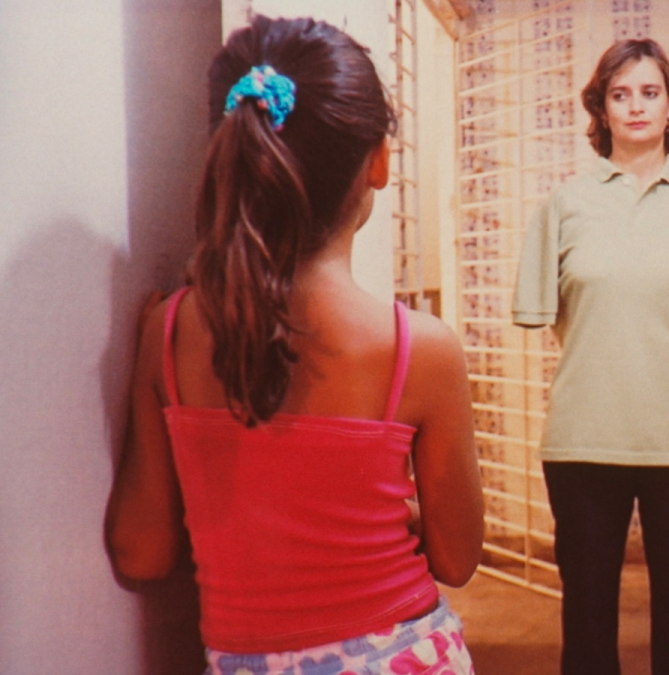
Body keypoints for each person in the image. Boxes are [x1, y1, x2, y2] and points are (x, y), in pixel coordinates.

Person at [105, 16, 483, 675]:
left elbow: (142, 552)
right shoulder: (421, 350)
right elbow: (457, 558)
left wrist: (146, 364)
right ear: (379, 161)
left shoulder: (168, 331)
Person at [513, 38, 669, 675]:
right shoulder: (564, 205)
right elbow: (538, 310)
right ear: (601, 110)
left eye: (650, 92)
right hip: (583, 439)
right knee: (587, 625)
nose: (637, 106)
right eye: (620, 95)